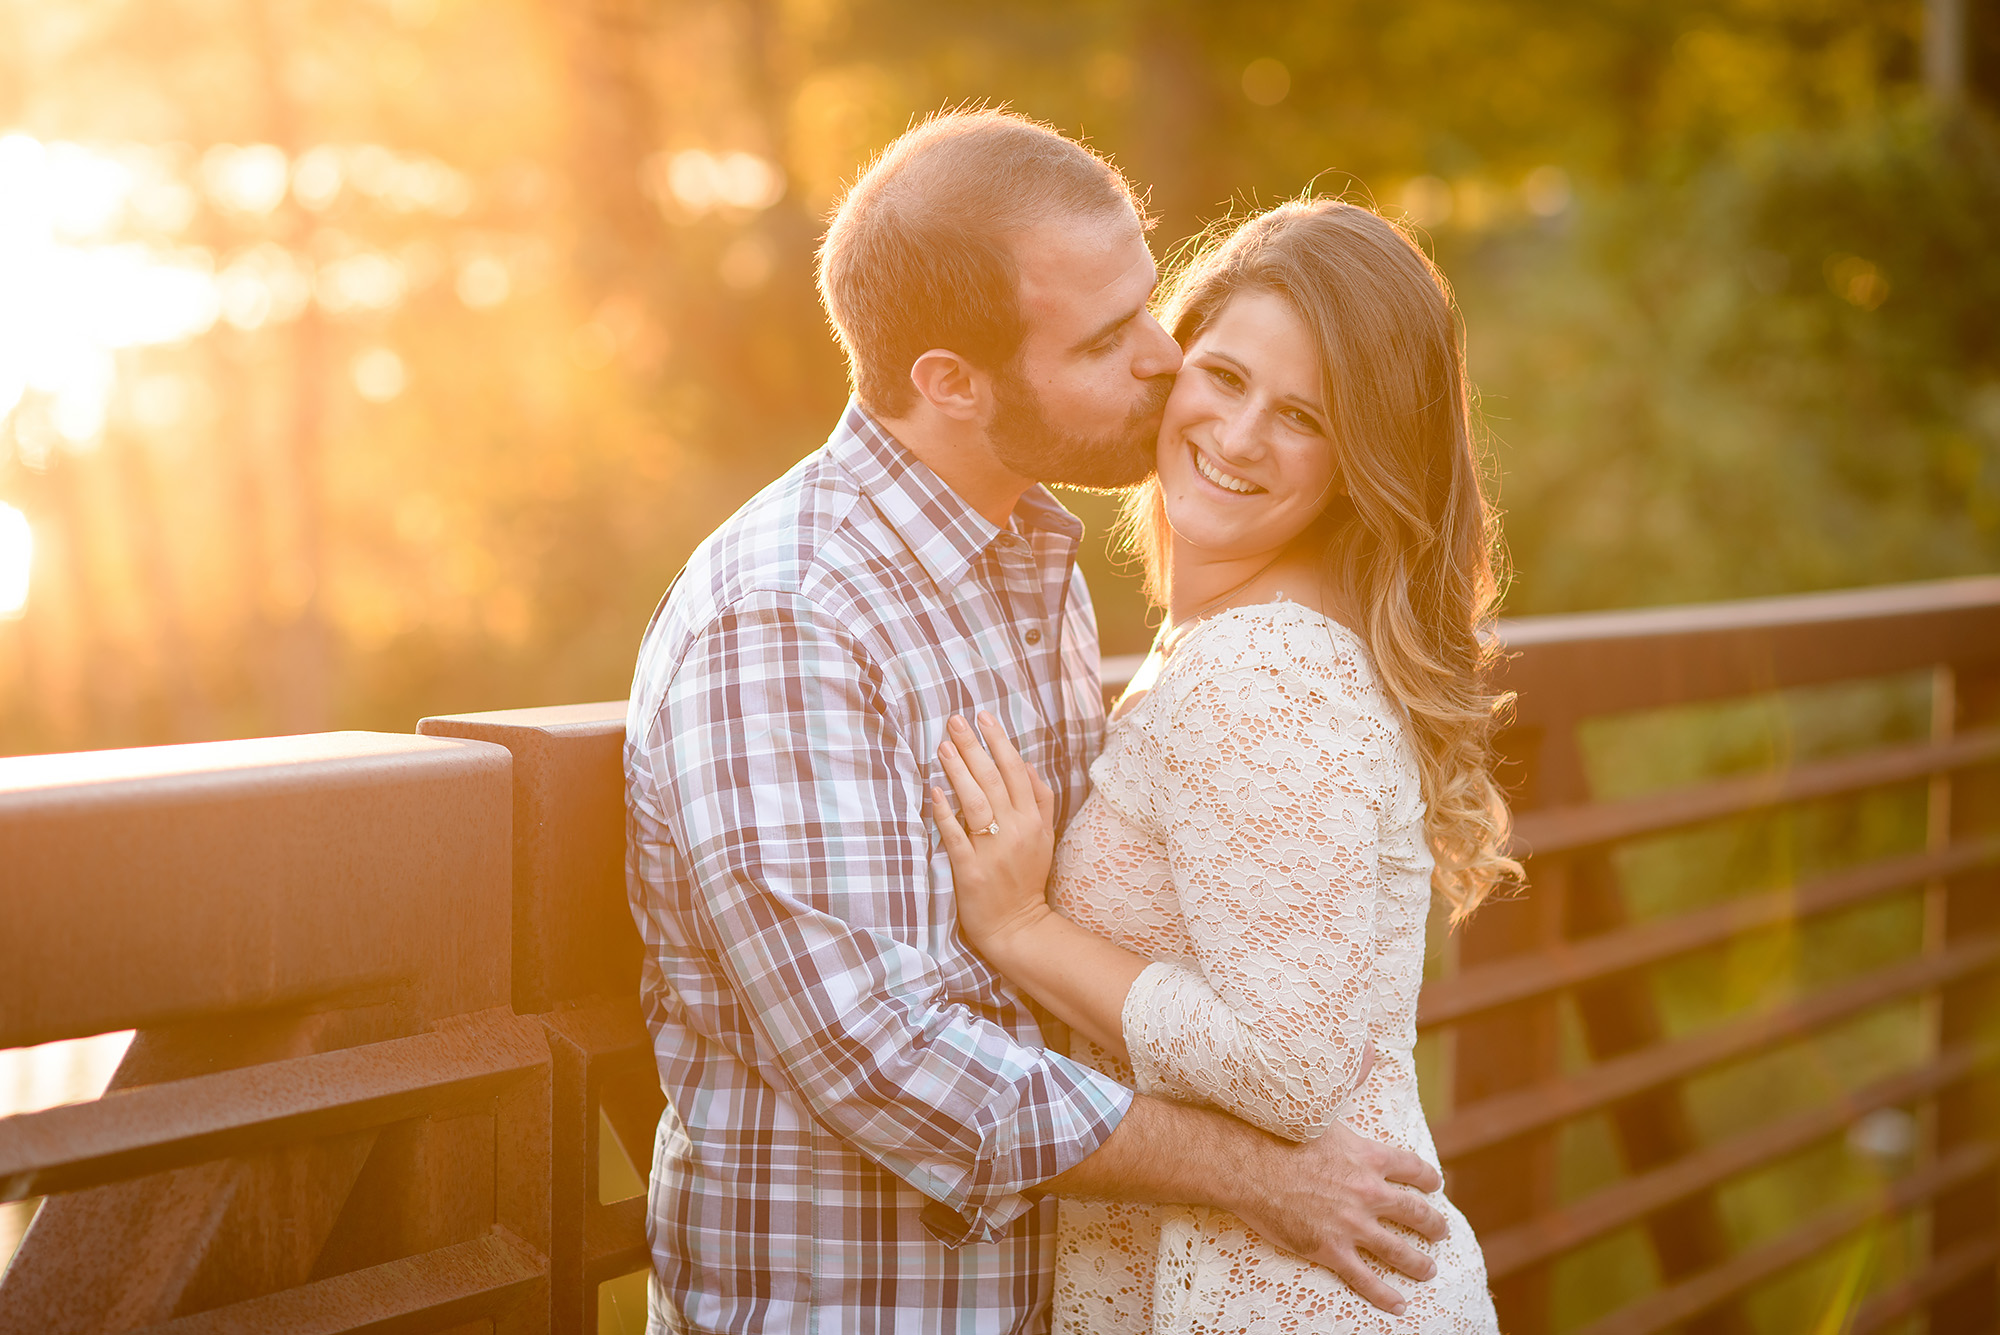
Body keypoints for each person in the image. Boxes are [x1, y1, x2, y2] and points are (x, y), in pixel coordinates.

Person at [624, 112, 1449, 1335]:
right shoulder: (785, 618)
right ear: (950, 381)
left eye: (1148, 308)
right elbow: (878, 1051)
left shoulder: (1030, 560)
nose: (1164, 362)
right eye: (1106, 340)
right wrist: (1255, 1175)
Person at [929, 197, 1518, 1333]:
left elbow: (1287, 1065)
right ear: (1171, 362)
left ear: (1360, 460)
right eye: (1225, 377)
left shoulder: (1264, 670)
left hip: (1284, 1297)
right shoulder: (1252, 632)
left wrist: (1019, 932)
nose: (1239, 436)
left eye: (1301, 415)